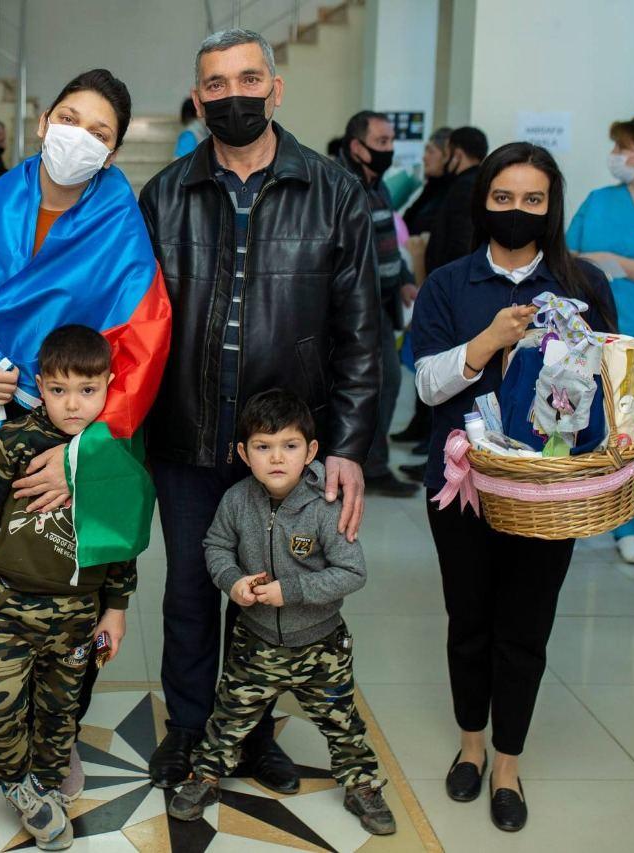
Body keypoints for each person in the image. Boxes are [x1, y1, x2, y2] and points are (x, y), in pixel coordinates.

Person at [0, 68, 170, 804]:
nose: (80, 137)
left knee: (74, 578)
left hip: (84, 427)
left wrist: (83, 451)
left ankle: (61, 731)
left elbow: (143, 341)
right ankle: (7, 724)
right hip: (0, 420)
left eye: (100, 131)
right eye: (71, 118)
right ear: (45, 119)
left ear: (113, 151)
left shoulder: (120, 223)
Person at [138, 29, 380, 793]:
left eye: (248, 79)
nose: (233, 95)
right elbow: (136, 322)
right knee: (189, 588)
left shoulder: (335, 192)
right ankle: (189, 726)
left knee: (271, 592)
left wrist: (346, 445)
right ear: (198, 98)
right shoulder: (165, 194)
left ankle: (250, 731)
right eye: (215, 84)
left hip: (284, 446)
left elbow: (362, 332)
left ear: (276, 89)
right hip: (185, 431)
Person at [410, 142, 617, 833]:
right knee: (469, 621)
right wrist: (487, 343)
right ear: (483, 203)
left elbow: (613, 385)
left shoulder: (583, 284)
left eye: (534, 199)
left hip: (549, 495)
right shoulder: (449, 283)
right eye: (504, 197)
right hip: (461, 484)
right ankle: (470, 746)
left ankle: (507, 762)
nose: (518, 210)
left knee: (525, 629)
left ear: (552, 207)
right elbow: (426, 383)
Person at [166, 389, 395, 837]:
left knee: (342, 723)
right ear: (243, 453)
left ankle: (362, 786)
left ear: (311, 451)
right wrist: (232, 581)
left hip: (321, 647)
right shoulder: (237, 500)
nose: (276, 458)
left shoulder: (325, 506)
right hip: (255, 643)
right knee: (228, 718)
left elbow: (352, 572)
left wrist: (290, 591)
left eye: (289, 446)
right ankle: (205, 776)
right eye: (262, 447)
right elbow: (216, 546)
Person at [0, 325, 137, 851]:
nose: (73, 404)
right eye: (59, 390)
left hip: (79, 612)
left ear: (109, 385)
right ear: (40, 385)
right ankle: (16, 783)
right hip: (10, 605)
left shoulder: (111, 450)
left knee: (61, 711)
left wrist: (116, 610)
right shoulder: (16, 440)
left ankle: (43, 785)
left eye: (88, 390)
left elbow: (121, 540)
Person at [568, 113, 634, 565]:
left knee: (632, 438)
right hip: (590, 337)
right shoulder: (599, 201)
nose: (614, 156)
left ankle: (628, 528)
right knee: (578, 429)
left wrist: (613, 261)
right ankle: (574, 516)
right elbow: (569, 255)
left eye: (622, 147)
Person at [339, 110, 419, 498]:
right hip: (356, 308)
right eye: (382, 142)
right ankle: (365, 464)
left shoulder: (378, 185)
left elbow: (388, 242)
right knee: (371, 385)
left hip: (384, 303)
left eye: (391, 141)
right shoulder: (341, 186)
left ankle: (371, 462)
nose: (389, 150)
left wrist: (403, 279)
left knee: (387, 383)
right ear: (358, 147)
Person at [393, 126, 455, 461]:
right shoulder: (429, 188)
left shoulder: (452, 194)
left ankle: (429, 430)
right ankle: (419, 424)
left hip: (429, 278)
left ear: (448, 154)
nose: (425, 156)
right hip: (414, 274)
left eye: (432, 150)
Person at [425, 126, 488, 275]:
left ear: (457, 155)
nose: (444, 160)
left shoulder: (464, 187)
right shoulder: (480, 182)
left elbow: (461, 241)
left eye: (447, 154)